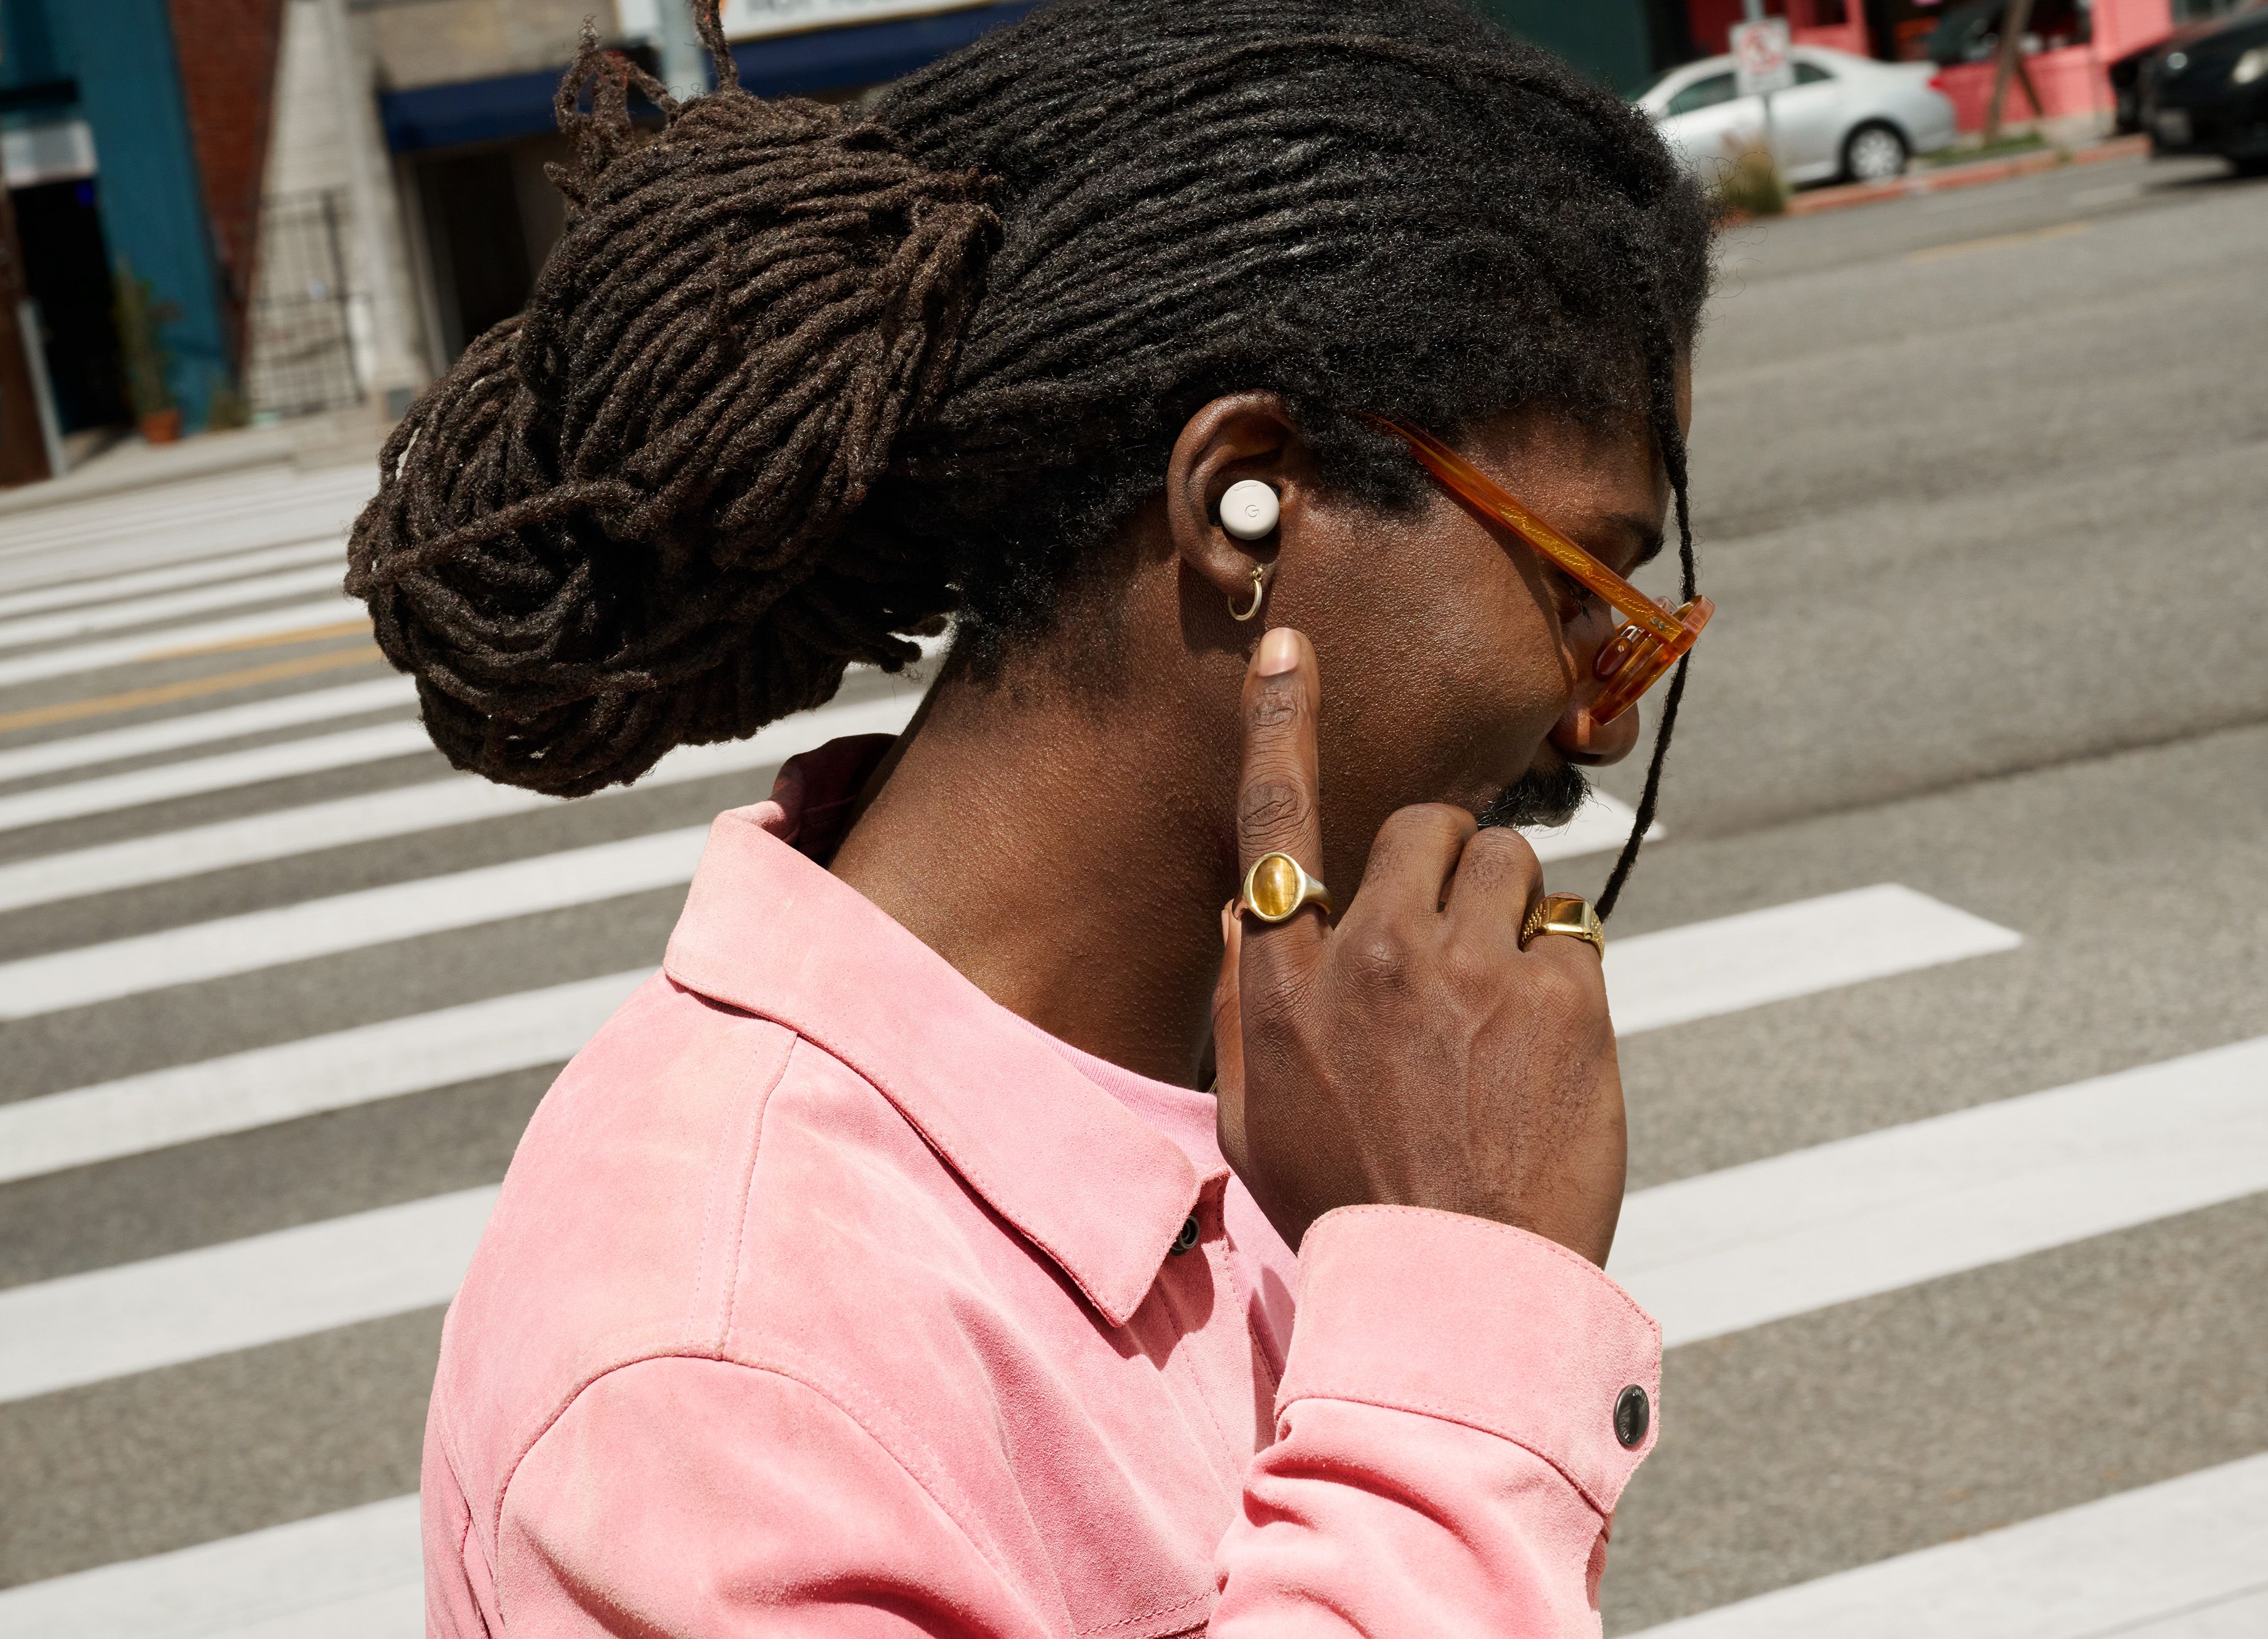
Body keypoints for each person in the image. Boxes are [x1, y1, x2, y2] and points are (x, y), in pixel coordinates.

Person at [350, 0, 1714, 1630]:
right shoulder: (728, 1371)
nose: (1601, 713)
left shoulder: (1274, 1090)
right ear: (1242, 499)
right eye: (1584, 590)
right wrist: (1452, 1325)